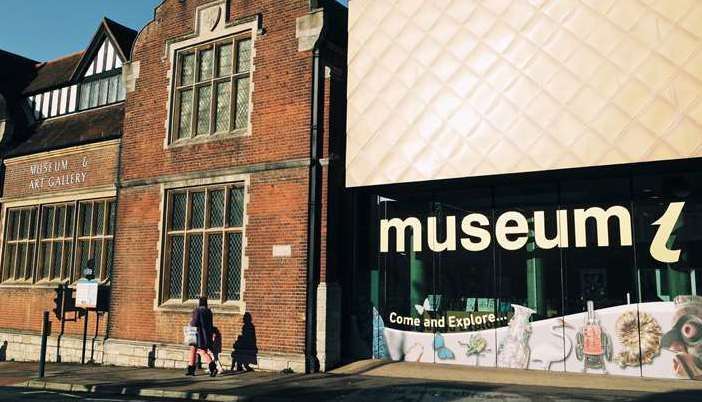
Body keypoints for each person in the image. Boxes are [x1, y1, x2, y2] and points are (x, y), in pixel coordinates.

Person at [186, 296, 217, 377]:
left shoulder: (198, 310)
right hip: (206, 335)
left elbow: (194, 323)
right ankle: (191, 369)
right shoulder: (209, 311)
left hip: (197, 334)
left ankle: (212, 367)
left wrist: (190, 324)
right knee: (198, 351)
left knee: (199, 351)